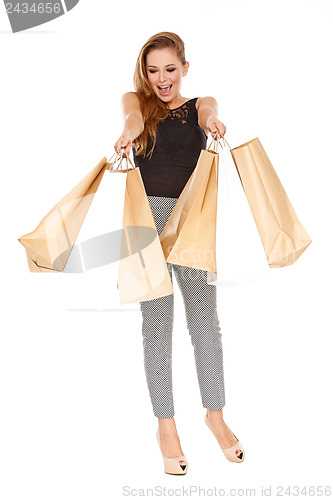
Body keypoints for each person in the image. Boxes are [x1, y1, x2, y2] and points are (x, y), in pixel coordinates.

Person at [114, 32, 245, 475]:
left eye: (170, 69)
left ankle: (215, 415)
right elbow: (131, 118)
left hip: (191, 219)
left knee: (205, 321)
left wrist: (212, 123)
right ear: (144, 72)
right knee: (157, 325)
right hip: (144, 218)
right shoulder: (136, 101)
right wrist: (128, 133)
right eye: (153, 70)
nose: (161, 79)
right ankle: (165, 425)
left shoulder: (200, 104)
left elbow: (209, 109)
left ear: (185, 68)